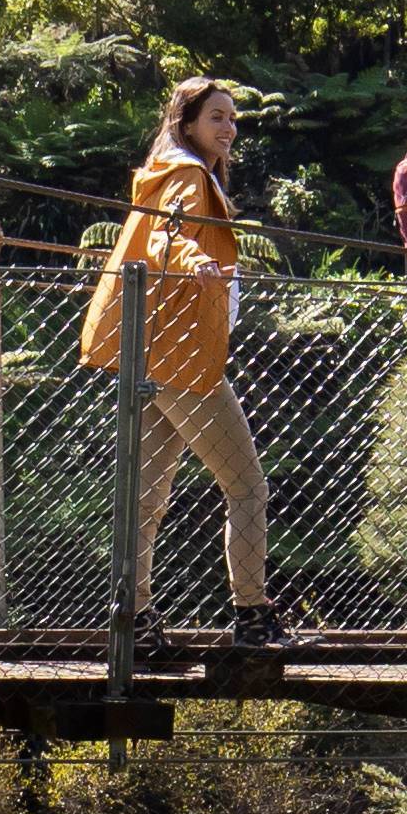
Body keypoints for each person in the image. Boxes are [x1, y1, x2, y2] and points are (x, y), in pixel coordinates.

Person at [79, 72, 282, 645]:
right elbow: (172, 232)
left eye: (233, 117)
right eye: (216, 116)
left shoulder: (169, 170)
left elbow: (164, 228)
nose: (229, 127)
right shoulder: (188, 174)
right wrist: (194, 259)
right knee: (246, 487)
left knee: (144, 497)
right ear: (186, 122)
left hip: (147, 354)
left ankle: (134, 620)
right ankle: (252, 615)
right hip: (183, 359)